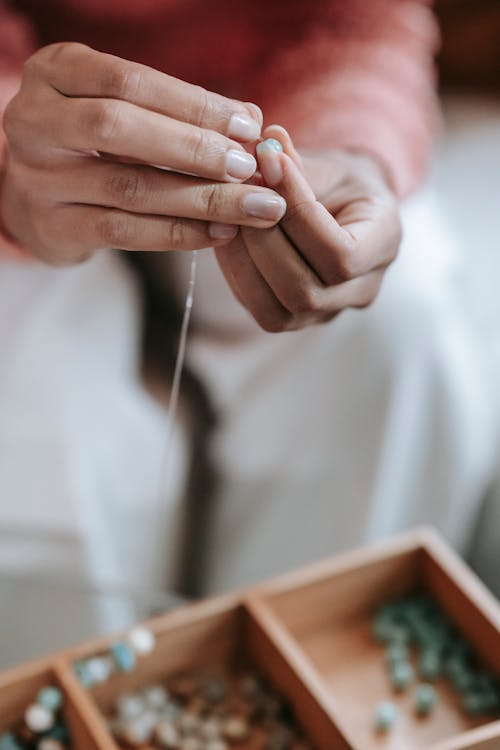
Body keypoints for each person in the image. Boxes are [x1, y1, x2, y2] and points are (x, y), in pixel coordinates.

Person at [0, 1, 496, 595]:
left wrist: (351, 154)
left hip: (282, 122)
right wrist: (14, 172)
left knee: (397, 330)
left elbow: (360, 23)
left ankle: (302, 647)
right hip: (30, 130)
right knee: (40, 400)